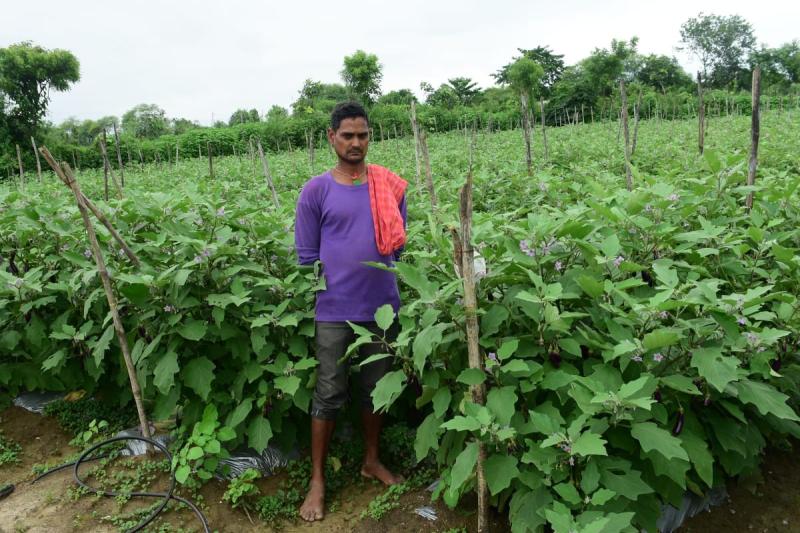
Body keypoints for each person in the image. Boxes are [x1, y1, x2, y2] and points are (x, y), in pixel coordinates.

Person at [294, 101, 408, 522]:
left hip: (381, 307)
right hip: (333, 310)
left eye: (362, 135)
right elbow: (307, 256)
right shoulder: (316, 191)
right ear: (332, 137)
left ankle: (371, 460)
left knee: (376, 387)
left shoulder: (389, 187)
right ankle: (317, 480)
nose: (356, 142)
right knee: (329, 391)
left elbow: (398, 244)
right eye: (347, 135)